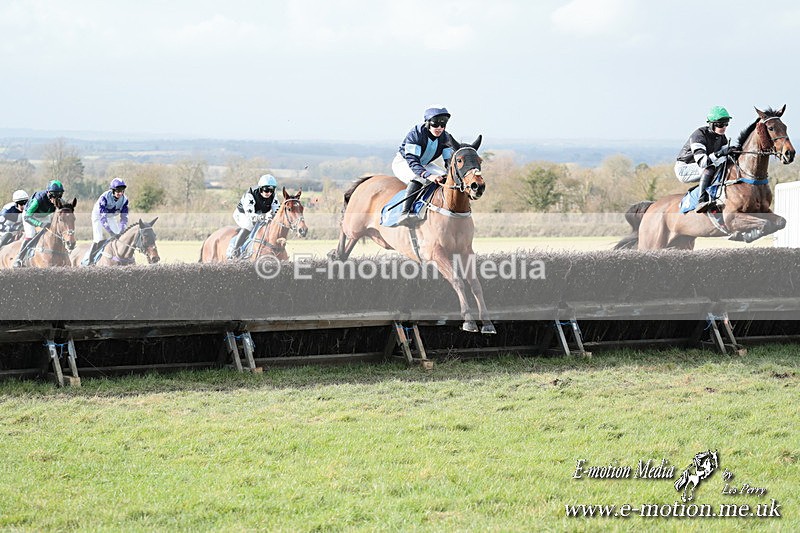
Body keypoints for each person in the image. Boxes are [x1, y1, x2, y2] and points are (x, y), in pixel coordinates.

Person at [392, 105, 457, 226]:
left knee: (445, 177)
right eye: (435, 125)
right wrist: (428, 175)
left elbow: (448, 160)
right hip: (404, 162)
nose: (439, 128)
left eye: (443, 125)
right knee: (419, 178)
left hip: (425, 164)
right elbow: (412, 161)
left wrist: (450, 173)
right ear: (427, 123)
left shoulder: (445, 137)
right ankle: (405, 213)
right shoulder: (416, 134)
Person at [675, 106, 737, 213]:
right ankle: (701, 201)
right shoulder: (699, 136)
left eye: (726, 124)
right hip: (684, 168)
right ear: (711, 124)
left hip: (702, 166)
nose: (724, 127)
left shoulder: (722, 137)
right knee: (709, 168)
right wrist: (720, 153)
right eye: (720, 124)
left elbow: (724, 160)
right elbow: (703, 162)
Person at [228, 174, 280, 259]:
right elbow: (250, 216)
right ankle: (235, 250)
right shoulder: (250, 194)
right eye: (266, 190)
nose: (269, 193)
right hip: (243, 214)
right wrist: (264, 216)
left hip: (260, 215)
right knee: (249, 224)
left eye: (272, 190)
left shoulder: (273, 195)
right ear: (260, 188)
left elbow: (277, 211)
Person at [14, 180, 65, 267]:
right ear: (48, 193)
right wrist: (40, 224)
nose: (56, 198)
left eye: (59, 195)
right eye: (54, 195)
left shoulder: (60, 201)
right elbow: (27, 217)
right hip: (29, 215)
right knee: (31, 234)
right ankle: (19, 258)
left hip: (44, 215)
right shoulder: (39, 199)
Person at [85, 178, 130, 265]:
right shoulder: (104, 197)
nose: (120, 193)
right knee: (98, 238)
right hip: (98, 216)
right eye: (118, 191)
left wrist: (121, 230)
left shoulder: (124, 200)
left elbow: (124, 218)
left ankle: (120, 259)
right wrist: (110, 232)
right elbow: (103, 218)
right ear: (113, 190)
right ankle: (90, 261)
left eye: (122, 191)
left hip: (111, 216)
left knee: (119, 237)